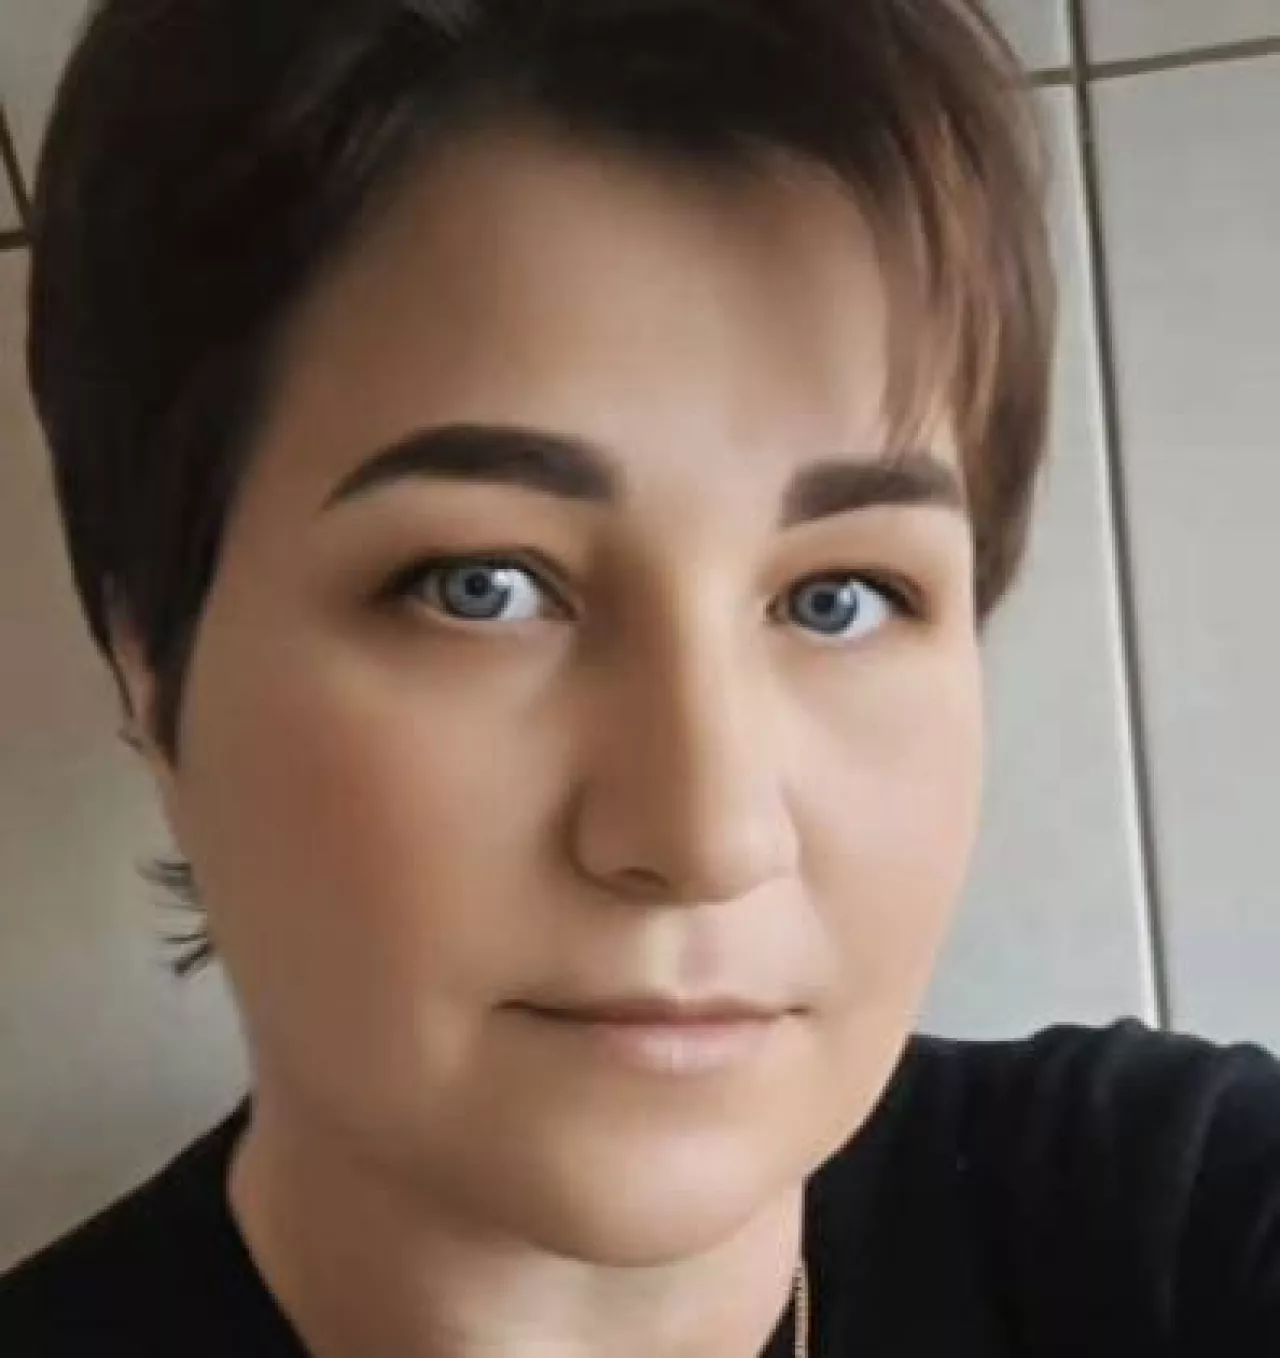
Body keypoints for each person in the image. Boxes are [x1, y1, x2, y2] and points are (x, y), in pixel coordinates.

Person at [1, 0, 1278, 1353]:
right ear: (151, 662)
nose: (707, 837)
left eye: (840, 597)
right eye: (481, 585)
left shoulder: (1172, 1224)